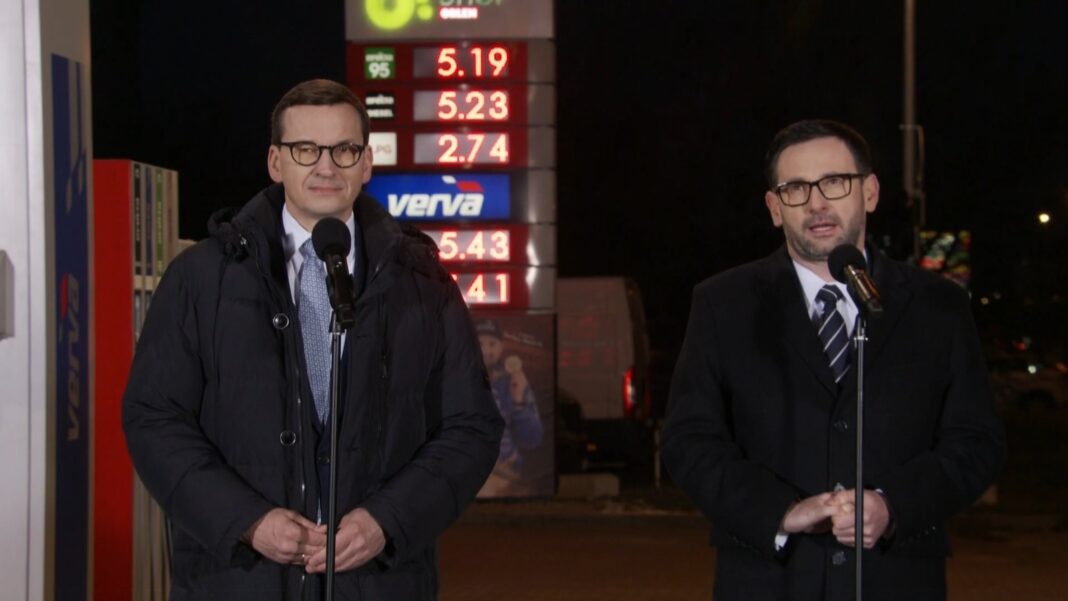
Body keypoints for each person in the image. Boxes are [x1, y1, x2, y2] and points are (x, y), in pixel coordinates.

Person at [122, 79, 504, 600]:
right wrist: (246, 520)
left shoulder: (424, 286)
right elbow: (154, 417)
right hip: (237, 581)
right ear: (276, 163)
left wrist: (385, 522)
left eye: (344, 150)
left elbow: (471, 428)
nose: (326, 167)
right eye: (306, 150)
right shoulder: (200, 279)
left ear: (366, 163)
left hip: (380, 583)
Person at [662, 119, 1005, 601]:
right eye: (796, 188)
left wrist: (893, 506)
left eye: (835, 183)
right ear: (774, 208)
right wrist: (780, 512)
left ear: (869, 192)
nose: (817, 203)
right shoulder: (725, 304)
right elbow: (689, 440)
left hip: (899, 579)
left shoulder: (938, 305)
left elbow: (976, 442)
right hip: (768, 580)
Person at [473, 319, 544, 496]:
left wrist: (519, 402)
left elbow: (533, 439)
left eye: (492, 344)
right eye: (480, 343)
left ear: (501, 347)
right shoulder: (456, 379)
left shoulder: (514, 380)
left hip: (507, 474)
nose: (486, 350)